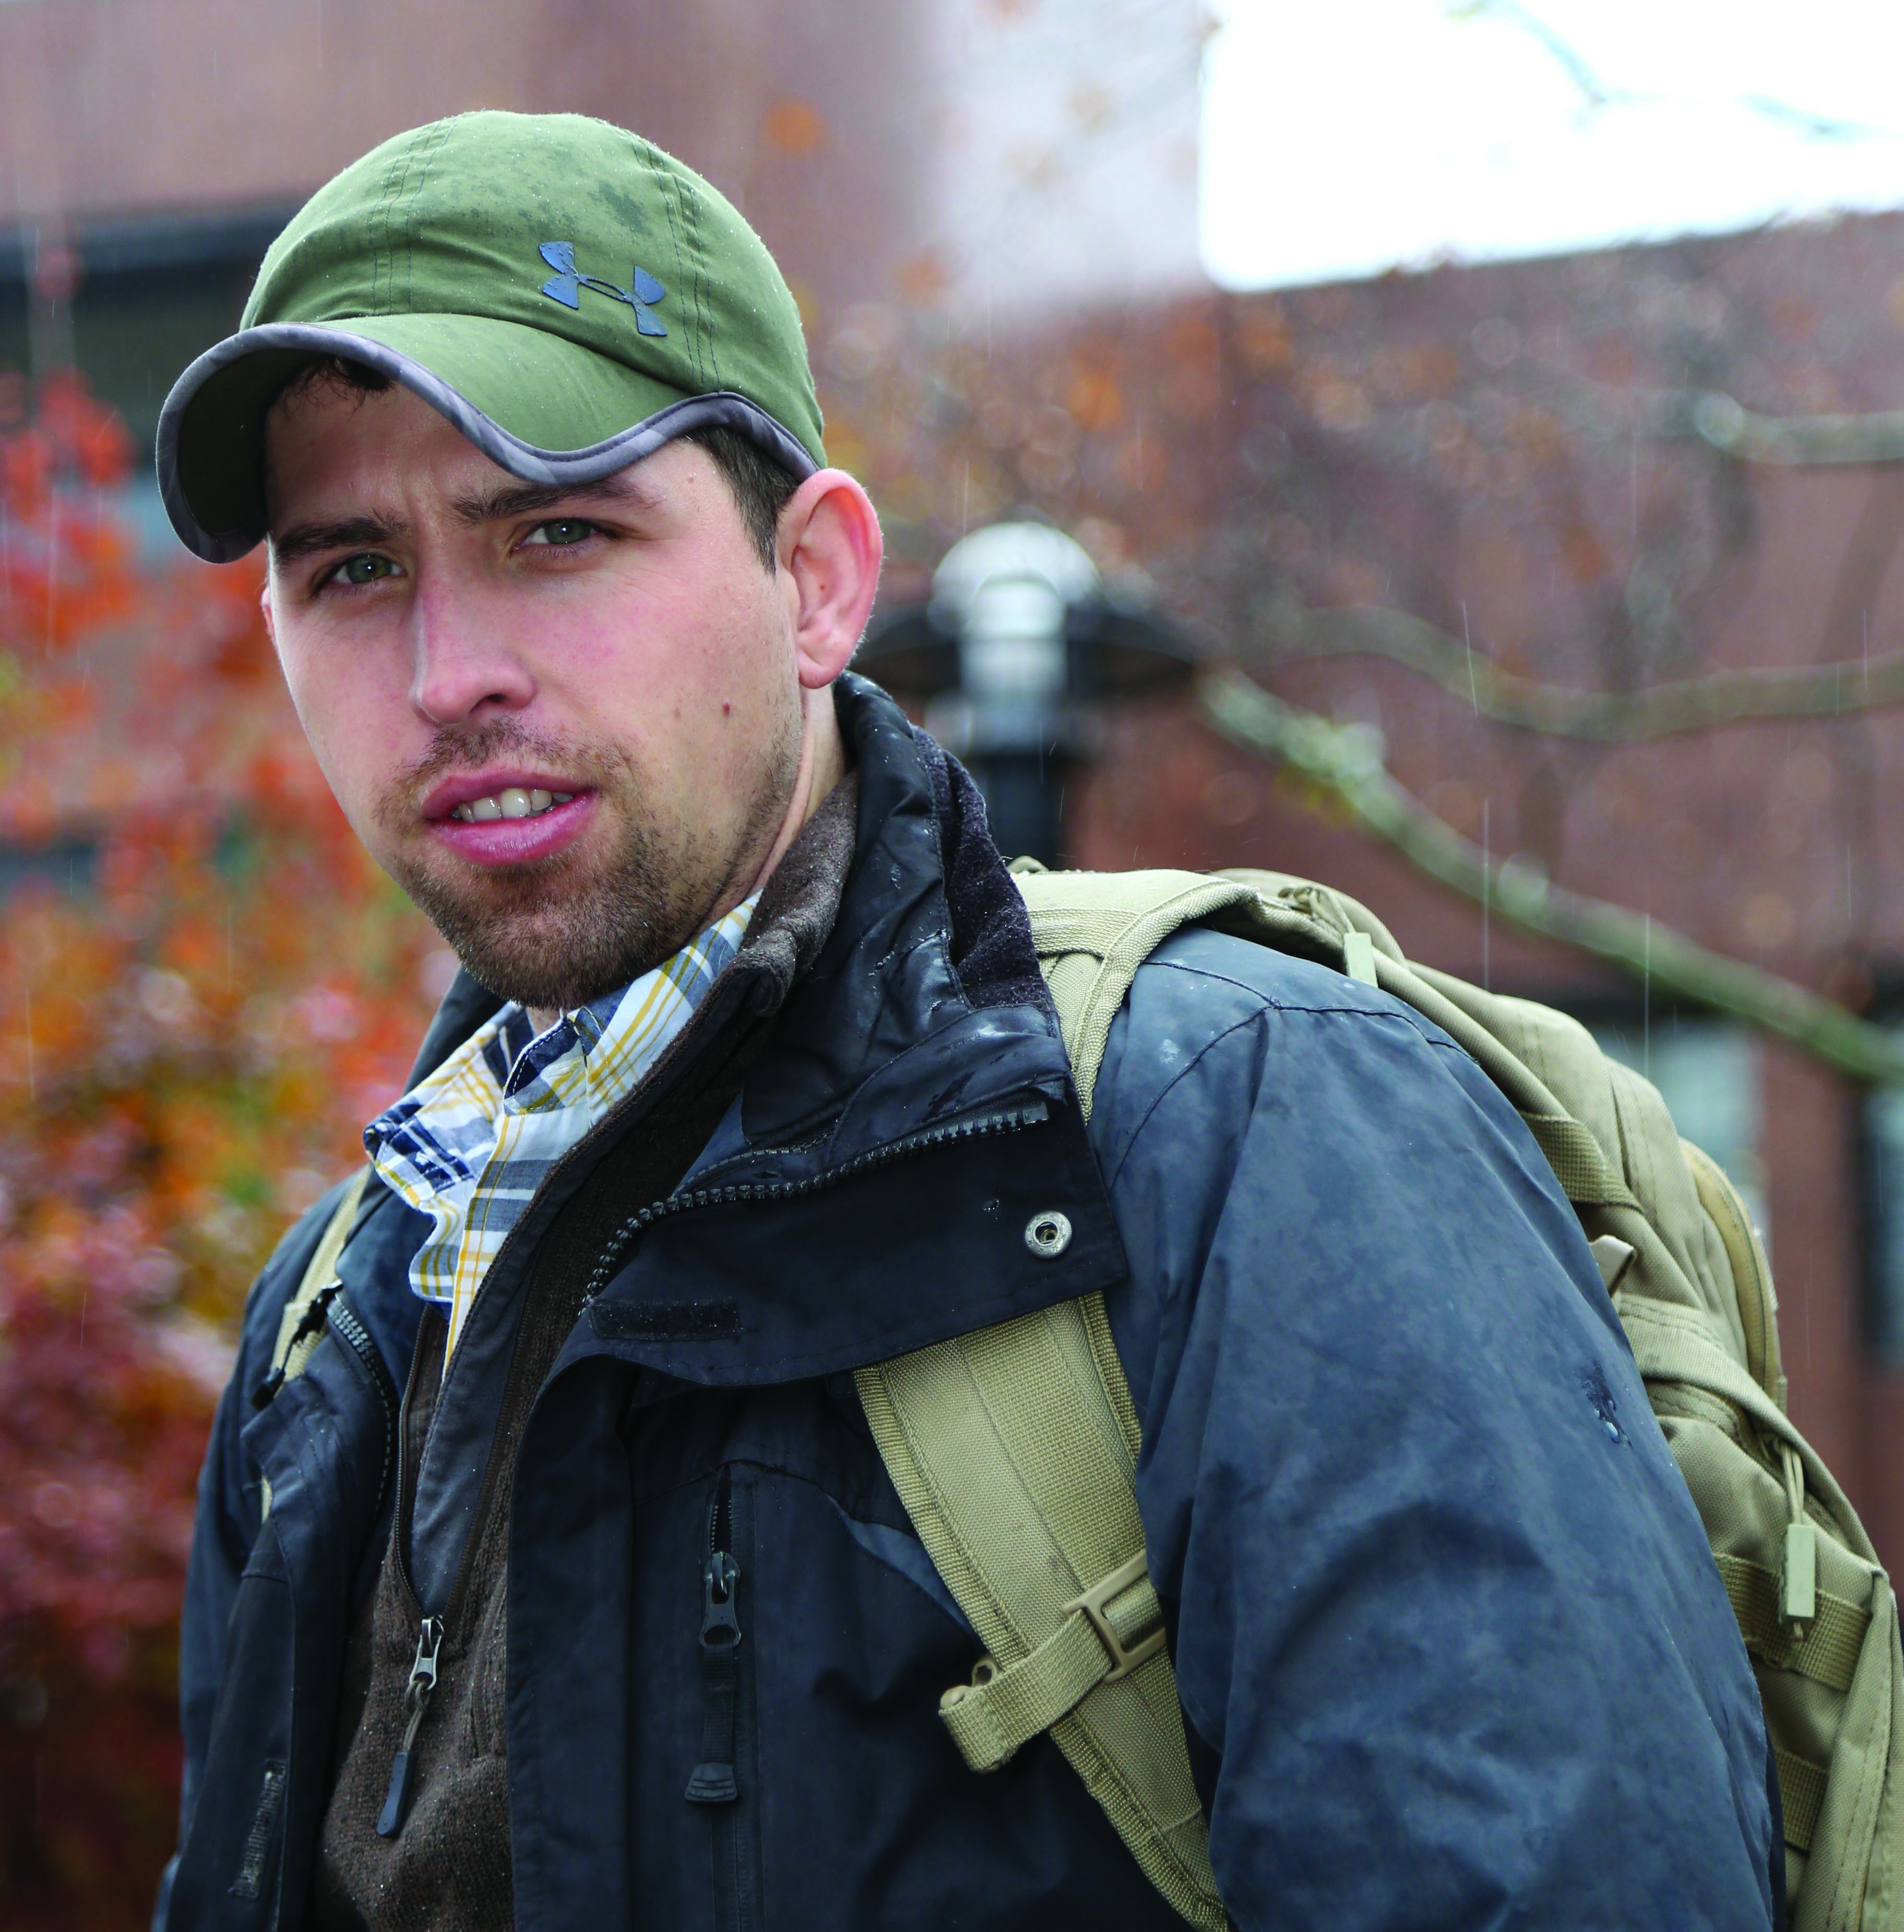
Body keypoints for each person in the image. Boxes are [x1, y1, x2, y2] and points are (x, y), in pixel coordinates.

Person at [153, 110, 1780, 1930]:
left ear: (818, 583)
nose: (452, 675)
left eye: (558, 530)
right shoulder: (343, 1312)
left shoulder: (1240, 1128)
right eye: (354, 567)